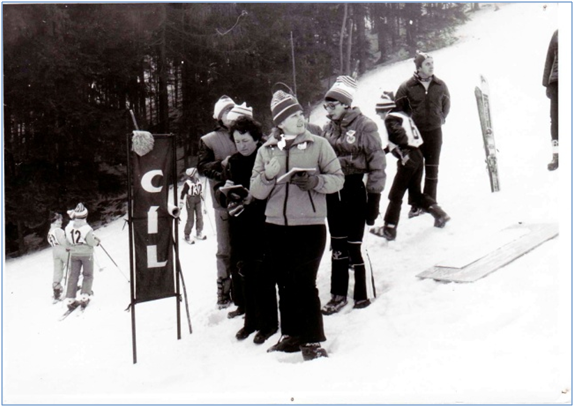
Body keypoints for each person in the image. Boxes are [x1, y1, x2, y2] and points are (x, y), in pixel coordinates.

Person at [250, 90, 344, 361]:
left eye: (301, 113)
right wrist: (268, 176)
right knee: (284, 282)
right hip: (276, 226)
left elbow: (337, 178)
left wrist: (316, 183)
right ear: (280, 123)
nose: (300, 118)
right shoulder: (266, 150)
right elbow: (256, 192)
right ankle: (291, 335)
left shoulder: (319, 144)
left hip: (310, 226)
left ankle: (312, 340)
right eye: (293, 115)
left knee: (304, 282)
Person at [320, 75, 386, 315]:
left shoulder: (365, 126)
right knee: (337, 243)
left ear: (346, 104)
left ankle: (363, 293)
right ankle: (337, 294)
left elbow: (377, 162)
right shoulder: (328, 129)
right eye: (326, 106)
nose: (329, 110)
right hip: (334, 190)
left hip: (357, 188)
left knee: (356, 244)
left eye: (333, 105)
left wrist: (375, 197)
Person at [216, 115, 278, 344]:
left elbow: (273, 189)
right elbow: (222, 194)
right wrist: (225, 193)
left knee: (263, 275)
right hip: (239, 223)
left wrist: (253, 198)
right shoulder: (232, 161)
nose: (241, 145)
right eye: (237, 141)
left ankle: (269, 323)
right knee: (244, 275)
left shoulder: (265, 155)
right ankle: (250, 321)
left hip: (262, 223)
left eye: (245, 141)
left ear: (255, 138)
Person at [370, 93, 450, 241]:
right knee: (415, 194)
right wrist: (384, 152)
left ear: (384, 110)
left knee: (395, 194)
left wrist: (404, 152)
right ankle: (440, 214)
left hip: (408, 157)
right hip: (417, 155)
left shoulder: (390, 118)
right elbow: (396, 140)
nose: (380, 116)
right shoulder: (403, 116)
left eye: (379, 113)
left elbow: (399, 136)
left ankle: (389, 228)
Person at [395, 51, 450, 217]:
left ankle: (430, 203)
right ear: (418, 68)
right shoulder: (407, 87)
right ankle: (416, 205)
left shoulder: (440, 85)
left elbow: (446, 105)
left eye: (432, 63)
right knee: (415, 170)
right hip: (414, 134)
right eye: (427, 63)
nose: (431, 66)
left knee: (433, 169)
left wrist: (439, 118)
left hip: (434, 132)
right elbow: (398, 110)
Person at [197, 95, 238, 309]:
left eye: (233, 109)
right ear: (219, 116)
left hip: (247, 198)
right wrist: (223, 166)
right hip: (221, 199)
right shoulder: (209, 139)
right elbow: (202, 167)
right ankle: (223, 290)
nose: (230, 115)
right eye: (226, 111)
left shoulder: (247, 133)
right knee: (224, 248)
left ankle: (243, 290)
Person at [64, 203, 100, 310]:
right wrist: (97, 241)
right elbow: (90, 241)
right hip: (86, 254)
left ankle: (70, 299)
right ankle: (84, 296)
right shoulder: (87, 228)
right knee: (88, 275)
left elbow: (67, 241)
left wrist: (69, 247)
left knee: (73, 275)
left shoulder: (68, 227)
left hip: (74, 254)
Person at [542, 29, 558, 171]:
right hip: (556, 83)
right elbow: (549, 59)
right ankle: (557, 154)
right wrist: (546, 83)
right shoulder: (558, 33)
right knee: (555, 120)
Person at [179, 167, 206, 244]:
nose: (197, 174)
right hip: (190, 200)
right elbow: (183, 193)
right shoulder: (188, 183)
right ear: (192, 175)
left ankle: (199, 232)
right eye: (196, 173)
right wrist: (181, 202)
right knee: (191, 219)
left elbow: (199, 189)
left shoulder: (198, 181)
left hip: (198, 199)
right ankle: (187, 235)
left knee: (199, 216)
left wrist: (201, 194)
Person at [47, 212, 69, 302]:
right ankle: (73, 286)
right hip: (62, 249)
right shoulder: (58, 230)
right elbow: (63, 241)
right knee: (72, 265)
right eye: (59, 220)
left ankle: (56, 288)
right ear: (55, 220)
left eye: (61, 220)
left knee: (58, 270)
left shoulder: (50, 231)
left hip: (54, 251)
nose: (61, 222)